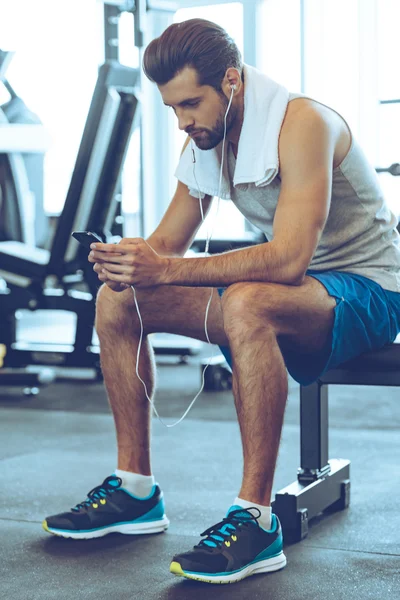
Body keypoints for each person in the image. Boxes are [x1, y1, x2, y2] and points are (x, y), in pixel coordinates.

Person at [42, 18, 400, 585]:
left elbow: (286, 261)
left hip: (370, 290)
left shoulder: (303, 123)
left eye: (190, 103)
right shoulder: (207, 137)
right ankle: (135, 490)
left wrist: (166, 269)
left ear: (230, 81)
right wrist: (127, 265)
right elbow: (166, 246)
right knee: (119, 304)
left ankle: (255, 521)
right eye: (173, 109)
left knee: (247, 302)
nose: (183, 121)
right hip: (295, 293)